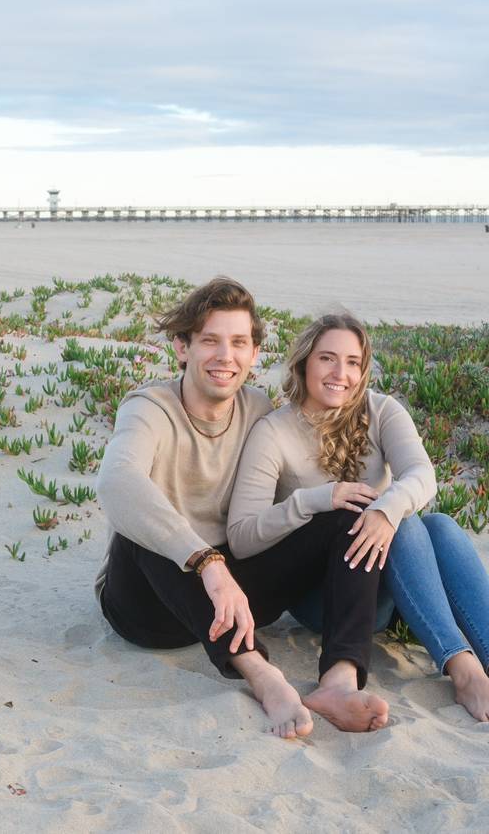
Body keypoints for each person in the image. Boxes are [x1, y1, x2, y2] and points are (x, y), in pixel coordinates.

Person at [96, 278, 389, 739]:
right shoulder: (150, 407)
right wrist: (207, 563)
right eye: (209, 340)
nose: (224, 357)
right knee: (145, 526)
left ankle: (339, 679)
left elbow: (278, 510)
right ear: (182, 347)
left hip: (235, 598)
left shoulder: (257, 409)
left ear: (254, 355)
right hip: (148, 605)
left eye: (238, 343)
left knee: (346, 511)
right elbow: (115, 480)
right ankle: (262, 674)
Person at [228, 312, 489, 723]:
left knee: (437, 525)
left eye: (352, 362)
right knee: (406, 524)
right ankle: (466, 673)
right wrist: (314, 500)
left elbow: (422, 474)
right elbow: (241, 537)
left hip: (402, 585)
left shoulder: (381, 411)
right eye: (327, 358)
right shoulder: (274, 432)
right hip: (329, 598)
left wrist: (385, 509)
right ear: (304, 362)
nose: (339, 373)